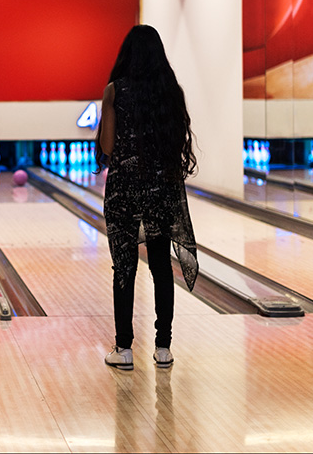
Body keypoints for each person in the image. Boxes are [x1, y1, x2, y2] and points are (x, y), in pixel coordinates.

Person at [96, 25, 198, 370]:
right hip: (160, 190)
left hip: (124, 191)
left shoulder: (114, 91)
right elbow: (175, 145)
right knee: (160, 267)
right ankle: (163, 347)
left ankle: (123, 349)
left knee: (123, 268)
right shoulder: (172, 93)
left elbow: (108, 148)